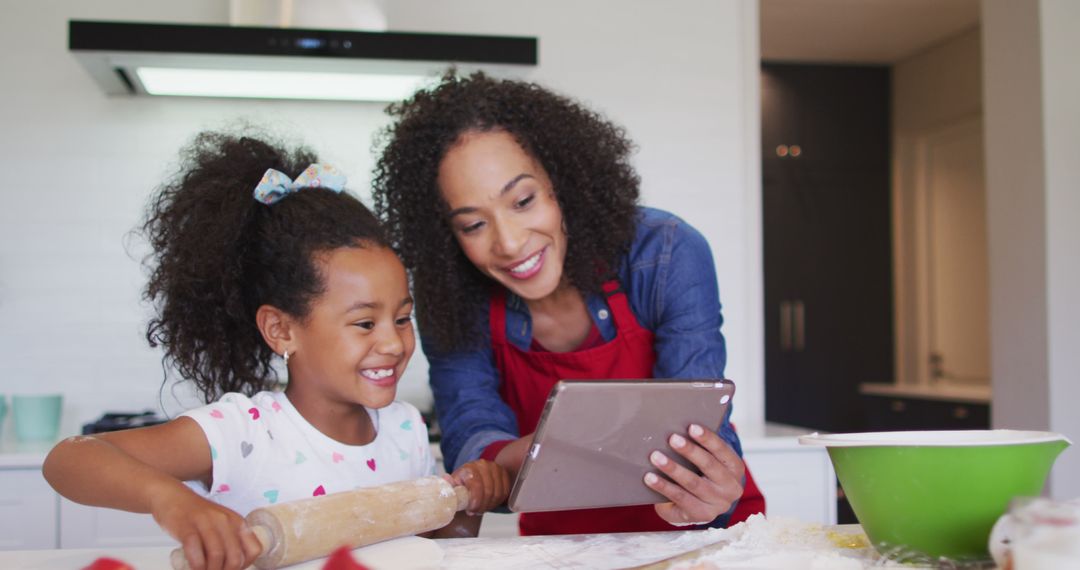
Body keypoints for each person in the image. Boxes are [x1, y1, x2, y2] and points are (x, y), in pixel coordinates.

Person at [42, 131, 510, 570]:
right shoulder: (245, 435)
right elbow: (69, 459)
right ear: (281, 330)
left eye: (403, 318)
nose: (393, 343)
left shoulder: (405, 430)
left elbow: (420, 552)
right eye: (365, 323)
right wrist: (173, 501)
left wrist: (465, 510)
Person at [371, 71, 766, 536]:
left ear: (563, 181)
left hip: (697, 533)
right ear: (447, 236)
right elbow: (473, 439)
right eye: (474, 225)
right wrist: (494, 463)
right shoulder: (453, 293)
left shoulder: (664, 254)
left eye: (523, 200)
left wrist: (711, 492)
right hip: (566, 545)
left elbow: (701, 420)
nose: (511, 243)